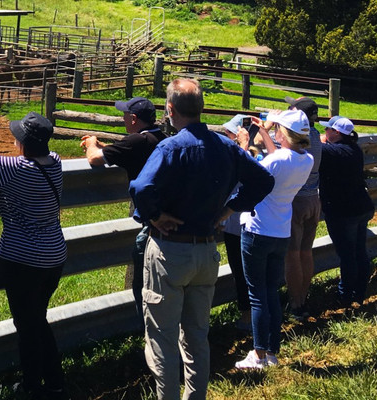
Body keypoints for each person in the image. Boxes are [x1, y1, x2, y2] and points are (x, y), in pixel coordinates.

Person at [129, 78, 274, 400]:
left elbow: (141, 187)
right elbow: (263, 179)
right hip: (206, 251)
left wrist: (154, 216)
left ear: (169, 109)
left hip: (169, 250)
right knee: (196, 334)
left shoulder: (170, 147)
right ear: (202, 108)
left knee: (162, 337)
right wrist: (229, 209)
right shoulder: (224, 146)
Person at [0, 112, 67, 400]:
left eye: (17, 137)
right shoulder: (56, 163)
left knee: (27, 324)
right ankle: (53, 382)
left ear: (23, 143)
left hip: (24, 261)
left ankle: (35, 385)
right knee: (37, 319)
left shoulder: (14, 169)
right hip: (54, 256)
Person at [235, 109, 314, 370]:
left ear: (285, 133)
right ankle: (271, 351)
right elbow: (277, 159)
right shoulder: (306, 160)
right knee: (270, 291)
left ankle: (258, 355)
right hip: (280, 232)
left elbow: (251, 173)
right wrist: (266, 133)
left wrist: (245, 146)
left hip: (258, 230)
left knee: (257, 295)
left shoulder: (278, 160)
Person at [81, 96, 166, 323]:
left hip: (153, 224)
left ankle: (150, 334)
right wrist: (105, 148)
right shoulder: (160, 138)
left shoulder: (136, 141)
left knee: (143, 287)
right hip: (166, 218)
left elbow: (95, 160)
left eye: (125, 114)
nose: (123, 117)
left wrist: (92, 145)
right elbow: (126, 151)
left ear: (134, 119)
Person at [318, 116, 375, 307]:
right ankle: (359, 293)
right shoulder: (354, 149)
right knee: (359, 251)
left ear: (336, 133)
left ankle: (345, 295)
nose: (325, 132)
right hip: (362, 206)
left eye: (328, 130)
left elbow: (314, 147)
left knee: (347, 254)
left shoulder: (334, 151)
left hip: (344, 211)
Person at [284, 96, 323, 319]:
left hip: (296, 201)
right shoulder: (317, 136)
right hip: (313, 199)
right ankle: (303, 297)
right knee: (306, 252)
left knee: (292, 254)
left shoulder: (300, 137)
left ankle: (295, 303)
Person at [219, 115, 254, 331]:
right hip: (245, 221)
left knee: (241, 271)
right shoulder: (258, 152)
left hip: (236, 222)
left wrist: (242, 145)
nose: (226, 137)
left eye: (229, 133)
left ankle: (248, 316)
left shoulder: (241, 155)